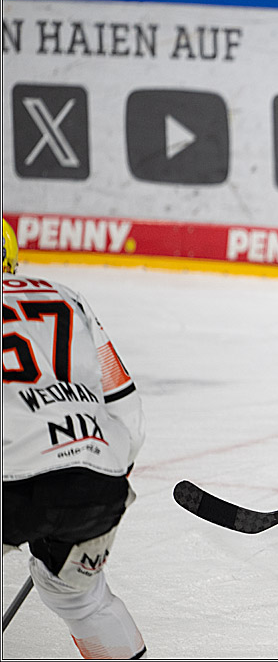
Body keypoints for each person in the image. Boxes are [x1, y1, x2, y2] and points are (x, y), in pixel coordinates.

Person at [2, 218, 147, 659]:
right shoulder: (66, 297)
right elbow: (127, 411)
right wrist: (99, 472)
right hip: (97, 485)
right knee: (81, 599)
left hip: (12, 484)